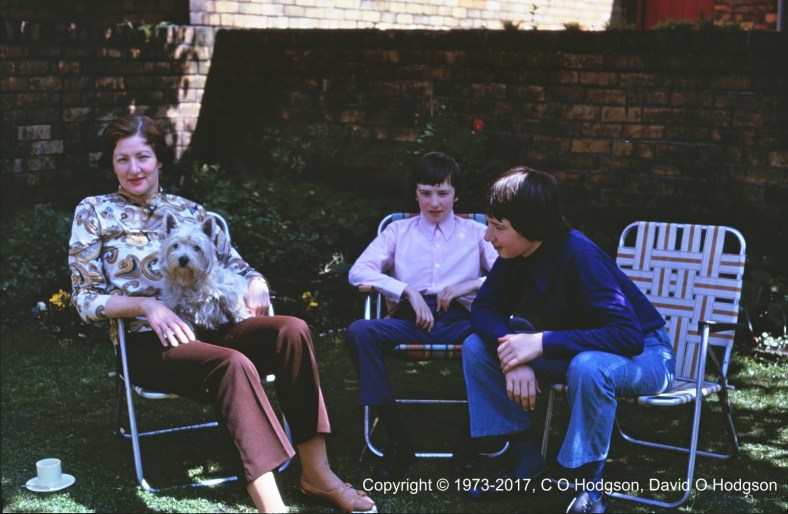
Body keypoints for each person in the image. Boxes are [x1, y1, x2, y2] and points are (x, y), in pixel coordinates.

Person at [68, 114, 376, 514]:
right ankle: (272, 505)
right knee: (231, 364)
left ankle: (316, 473)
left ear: (159, 160)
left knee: (292, 330)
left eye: (142, 157)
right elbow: (85, 298)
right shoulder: (94, 212)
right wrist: (147, 305)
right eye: (122, 160)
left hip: (212, 326)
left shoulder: (194, 213)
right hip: (148, 342)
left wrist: (257, 282)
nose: (133, 169)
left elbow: (239, 265)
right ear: (112, 165)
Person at [462, 167, 675, 513]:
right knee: (477, 347)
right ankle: (527, 459)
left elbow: (628, 336)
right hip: (582, 352)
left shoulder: (579, 255)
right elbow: (484, 309)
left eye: (498, 227)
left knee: (588, 367)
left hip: (648, 355)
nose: (488, 236)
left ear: (530, 225)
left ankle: (590, 487)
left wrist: (540, 344)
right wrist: (515, 354)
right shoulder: (516, 254)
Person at [345, 151, 498, 480]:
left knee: (512, 333)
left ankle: (469, 445)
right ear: (415, 193)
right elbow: (358, 272)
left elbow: (510, 275)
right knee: (361, 331)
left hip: (462, 322)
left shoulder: (475, 232)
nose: (435, 202)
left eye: (443, 193)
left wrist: (468, 284)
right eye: (426, 192)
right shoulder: (399, 231)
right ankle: (397, 440)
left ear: (456, 194)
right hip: (408, 321)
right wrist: (406, 291)